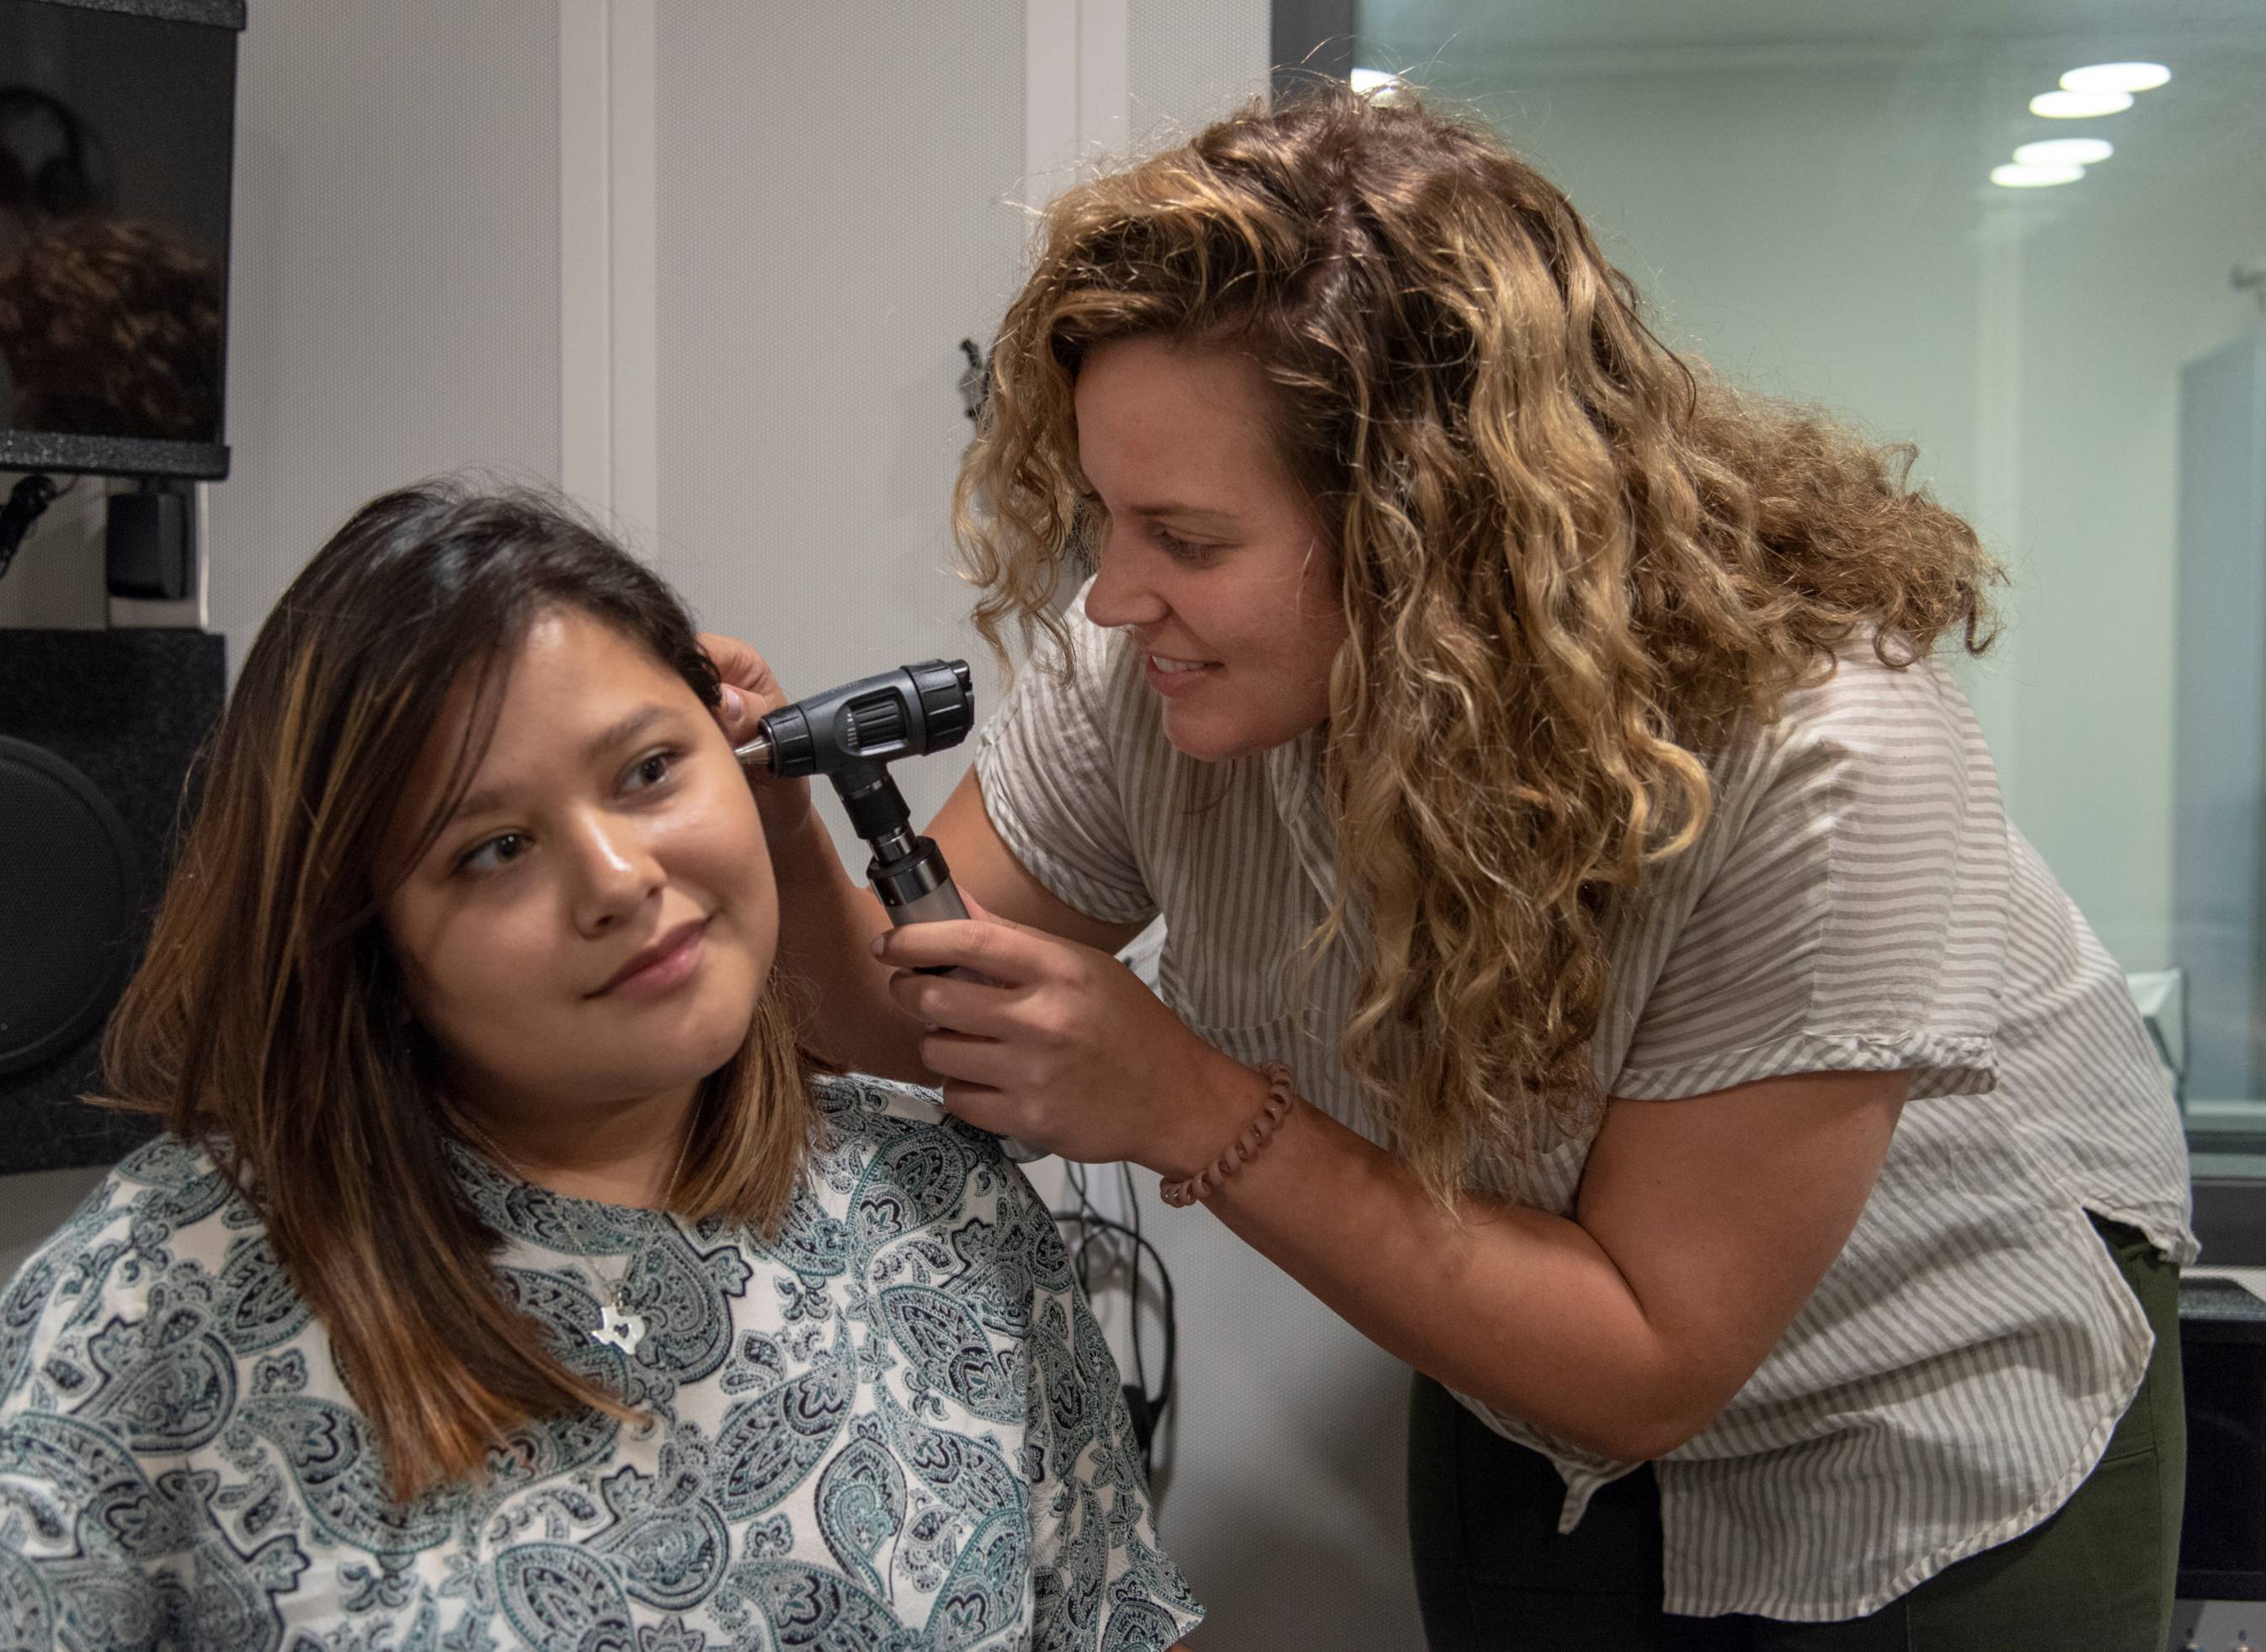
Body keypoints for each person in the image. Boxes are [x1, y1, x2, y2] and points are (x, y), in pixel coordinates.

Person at [708, 88, 2194, 1650]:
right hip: (1524, 1392)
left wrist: (1183, 1100)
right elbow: (891, 1011)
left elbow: (1646, 1360)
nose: (1113, 599)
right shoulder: (1150, 668)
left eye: (1188, 539)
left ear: (1434, 527)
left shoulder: (1826, 756)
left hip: (1929, 1408)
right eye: (1102, 519)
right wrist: (776, 832)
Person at [0, 482, 1202, 1651]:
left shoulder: (950, 1214)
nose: (620, 879)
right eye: (491, 848)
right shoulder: (166, 1289)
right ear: (363, 937)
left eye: (650, 769)